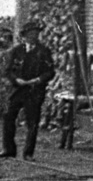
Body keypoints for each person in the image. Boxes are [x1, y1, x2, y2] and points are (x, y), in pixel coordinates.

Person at [3, 20, 56, 159]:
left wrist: (38, 80)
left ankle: (28, 153)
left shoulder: (44, 51)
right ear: (24, 36)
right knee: (8, 118)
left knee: (32, 122)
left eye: (36, 34)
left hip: (34, 91)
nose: (33, 37)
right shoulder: (15, 51)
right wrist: (16, 80)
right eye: (30, 34)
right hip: (16, 90)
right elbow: (7, 71)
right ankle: (8, 149)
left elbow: (50, 71)